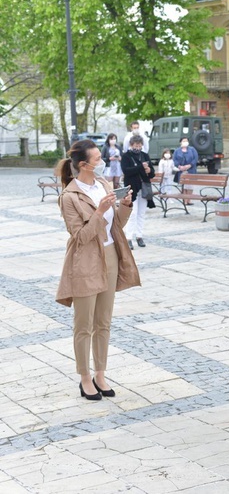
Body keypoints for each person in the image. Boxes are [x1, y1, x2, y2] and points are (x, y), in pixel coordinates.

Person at [54, 139, 140, 400]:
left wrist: (124, 206)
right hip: (85, 262)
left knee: (103, 322)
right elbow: (80, 237)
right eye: (97, 159)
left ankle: (100, 374)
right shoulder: (69, 197)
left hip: (111, 255)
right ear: (84, 165)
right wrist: (100, 211)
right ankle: (84, 377)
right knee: (84, 325)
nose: (101, 161)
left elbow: (116, 226)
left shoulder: (103, 184)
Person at [121, 135, 155, 249]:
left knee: (141, 213)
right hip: (132, 188)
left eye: (140, 145)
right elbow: (126, 171)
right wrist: (141, 167)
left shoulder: (144, 155)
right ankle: (128, 237)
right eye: (136, 145)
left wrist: (149, 170)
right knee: (132, 213)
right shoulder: (126, 156)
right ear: (131, 145)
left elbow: (152, 173)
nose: (138, 147)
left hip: (144, 187)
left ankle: (139, 236)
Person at [173, 136, 198, 205]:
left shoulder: (192, 149)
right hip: (181, 170)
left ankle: (189, 200)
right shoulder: (177, 151)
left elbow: (195, 158)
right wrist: (179, 166)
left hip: (191, 170)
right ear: (180, 142)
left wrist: (189, 165)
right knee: (183, 186)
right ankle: (184, 200)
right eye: (183, 141)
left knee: (190, 186)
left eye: (186, 141)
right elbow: (174, 160)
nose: (185, 142)